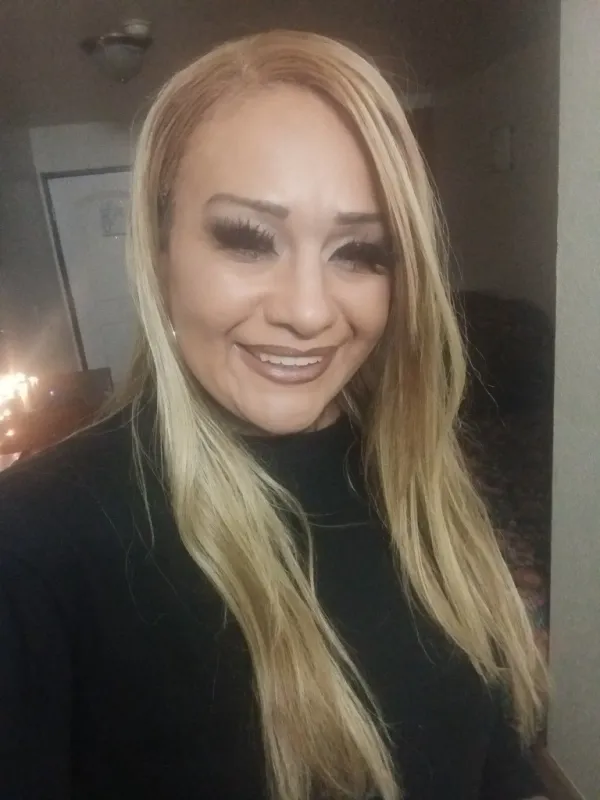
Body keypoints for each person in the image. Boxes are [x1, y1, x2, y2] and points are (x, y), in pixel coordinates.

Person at [0, 30, 548, 800]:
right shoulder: (34, 544)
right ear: (160, 251)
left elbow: (498, 766)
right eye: (249, 240)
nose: (308, 311)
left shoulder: (421, 479)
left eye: (360, 252)